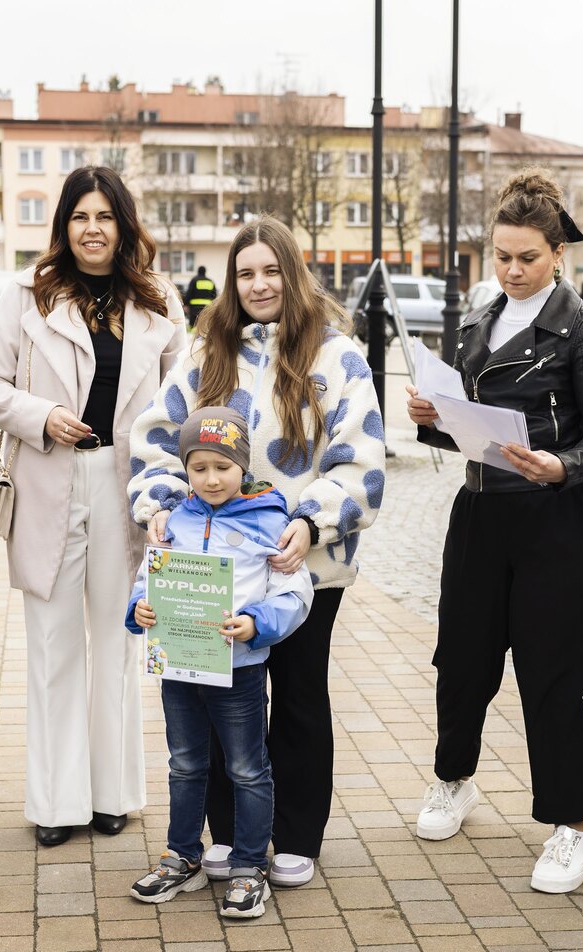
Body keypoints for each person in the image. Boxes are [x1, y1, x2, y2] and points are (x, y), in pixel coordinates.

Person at [130, 215, 385, 888]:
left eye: (272, 270)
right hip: (213, 566)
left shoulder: (336, 356)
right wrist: (161, 504)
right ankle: (228, 833)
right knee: (216, 697)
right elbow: (156, 439)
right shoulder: (204, 352)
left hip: (302, 566)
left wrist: (311, 522)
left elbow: (359, 457)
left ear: (294, 275)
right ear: (231, 282)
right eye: (246, 273)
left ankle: (295, 835)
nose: (260, 284)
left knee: (299, 697)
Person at [405, 169, 583, 894]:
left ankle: (571, 827)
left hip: (555, 518)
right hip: (480, 512)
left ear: (557, 253)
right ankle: (453, 779)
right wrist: (432, 420)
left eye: (528, 257)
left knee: (551, 674)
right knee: (461, 658)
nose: (513, 270)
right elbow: (467, 429)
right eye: (502, 256)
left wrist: (563, 467)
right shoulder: (476, 322)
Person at [0, 165, 187, 847]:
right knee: (53, 644)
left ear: (124, 225)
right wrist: (41, 416)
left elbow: (182, 400)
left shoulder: (158, 302)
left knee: (119, 642)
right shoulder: (27, 295)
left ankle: (112, 793)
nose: (93, 230)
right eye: (80, 217)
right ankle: (56, 803)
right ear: (64, 226)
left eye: (104, 217)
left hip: (127, 485)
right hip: (48, 480)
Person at [126, 407, 313, 918]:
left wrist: (256, 622)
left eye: (222, 467)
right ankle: (182, 856)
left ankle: (249, 867)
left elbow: (295, 592)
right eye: (199, 467)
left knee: (248, 768)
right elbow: (149, 576)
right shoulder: (174, 519)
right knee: (185, 764)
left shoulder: (270, 521)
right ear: (185, 468)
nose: (211, 479)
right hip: (179, 669)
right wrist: (139, 608)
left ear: (243, 466)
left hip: (240, 671)